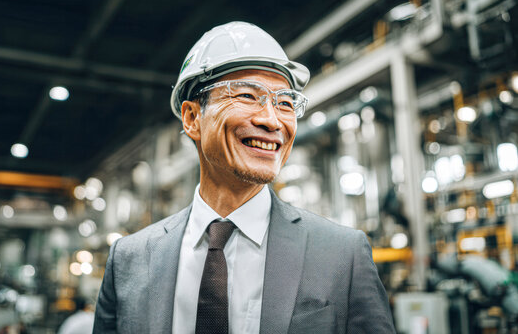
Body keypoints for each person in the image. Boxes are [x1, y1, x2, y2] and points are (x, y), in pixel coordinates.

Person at [93, 21, 395, 333]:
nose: (272, 120)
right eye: (248, 96)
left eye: (286, 103)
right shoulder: (128, 260)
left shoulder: (342, 255)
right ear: (192, 117)